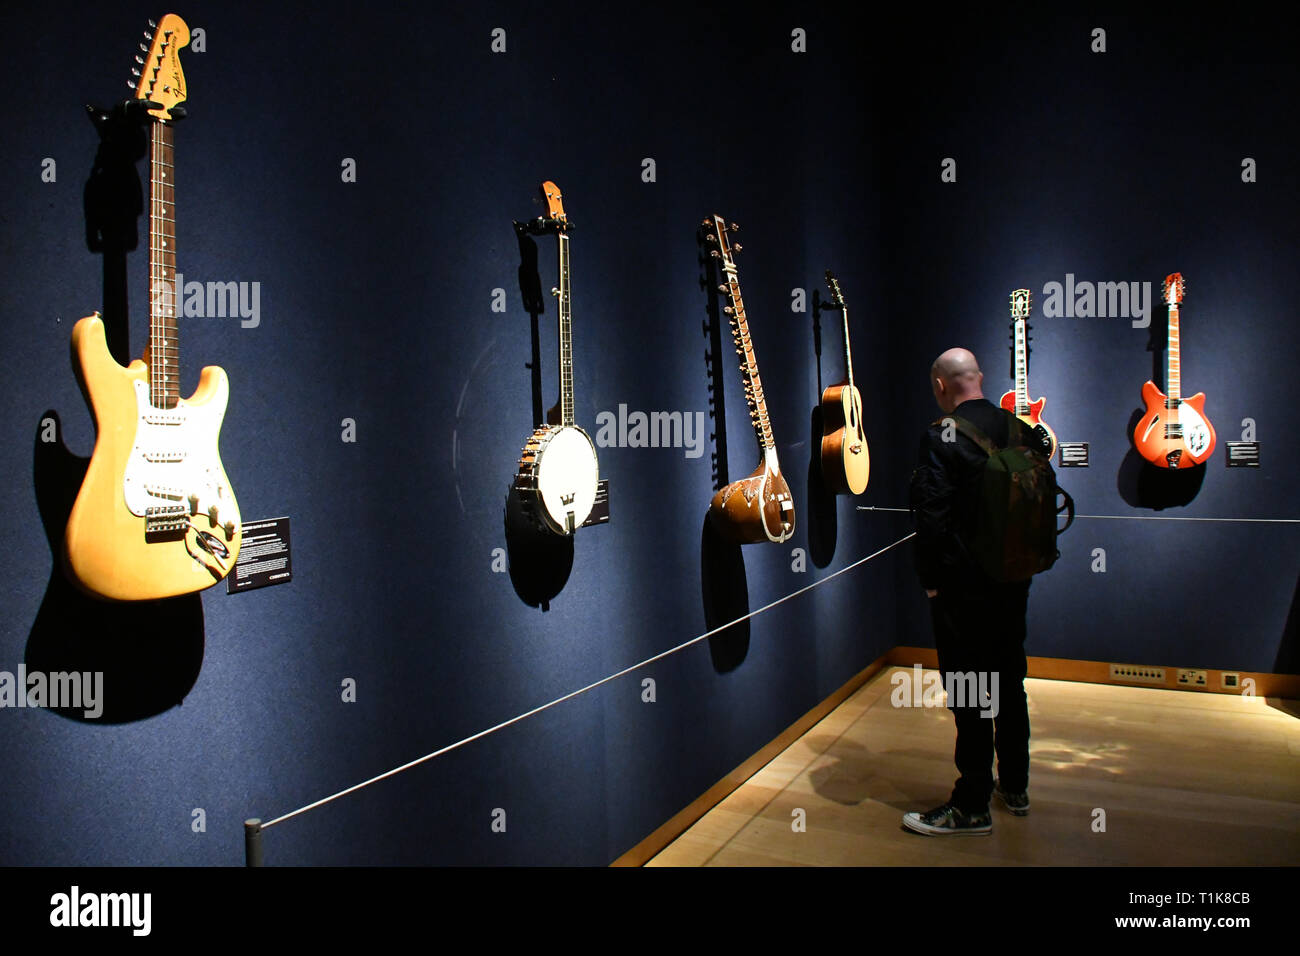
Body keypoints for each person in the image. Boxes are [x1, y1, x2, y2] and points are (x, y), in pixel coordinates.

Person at [903, 347, 1045, 836]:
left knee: (968, 690)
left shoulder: (941, 434)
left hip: (964, 587)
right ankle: (1017, 786)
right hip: (1015, 577)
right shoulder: (1023, 430)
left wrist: (931, 582)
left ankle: (972, 804)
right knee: (1009, 679)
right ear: (979, 378)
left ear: (941, 385)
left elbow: (932, 517)